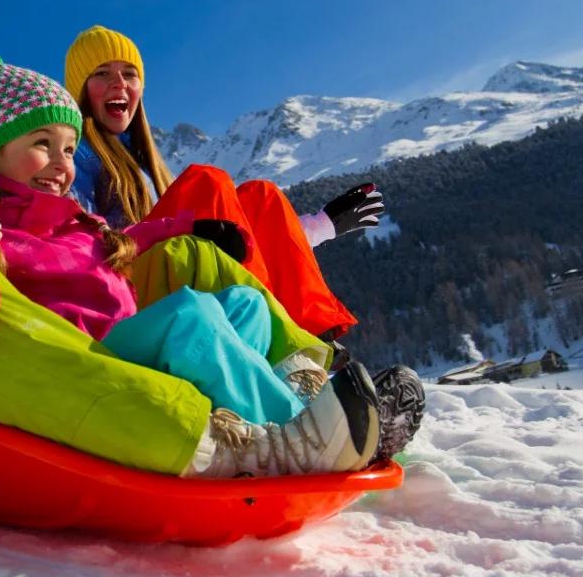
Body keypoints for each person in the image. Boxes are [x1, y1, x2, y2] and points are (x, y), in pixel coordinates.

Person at [0, 51, 388, 478]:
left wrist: (187, 227)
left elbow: (122, 240)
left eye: (68, 149)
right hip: (84, 362)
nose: (62, 165)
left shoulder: (61, 216)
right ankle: (298, 432)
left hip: (124, 343)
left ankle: (307, 381)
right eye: (42, 144)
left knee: (238, 302)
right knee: (190, 318)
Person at [64, 25, 386, 342]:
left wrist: (322, 225)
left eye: (129, 74)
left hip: (171, 271)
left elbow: (236, 240)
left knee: (260, 196)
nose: (118, 83)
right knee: (206, 182)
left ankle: (319, 341)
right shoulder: (76, 155)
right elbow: (79, 244)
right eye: (102, 73)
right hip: (125, 293)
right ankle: (271, 336)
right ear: (81, 89)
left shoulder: (145, 164)